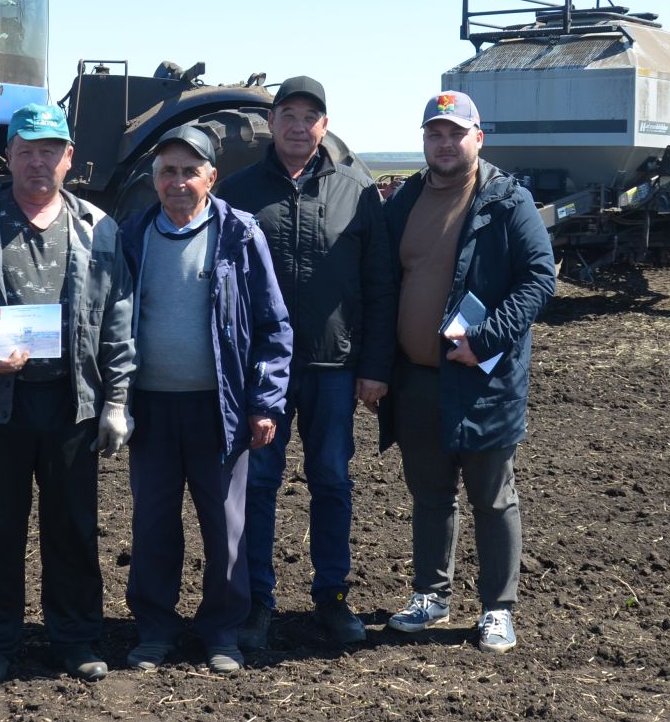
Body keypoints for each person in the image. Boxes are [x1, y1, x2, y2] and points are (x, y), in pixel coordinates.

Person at [0, 102, 136, 692]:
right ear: (10, 157)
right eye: (27, 150)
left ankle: (74, 638)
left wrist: (117, 400)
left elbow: (118, 317)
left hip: (72, 403)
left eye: (50, 149)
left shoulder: (98, 227)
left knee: (73, 525)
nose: (38, 161)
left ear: (68, 157)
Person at [219, 76, 394, 649]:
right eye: (287, 114)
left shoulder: (357, 191)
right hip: (262, 372)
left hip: (334, 366)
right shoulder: (239, 193)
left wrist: (374, 364)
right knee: (260, 484)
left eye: (310, 116)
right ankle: (257, 603)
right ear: (271, 123)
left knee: (332, 481)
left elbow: (379, 282)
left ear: (325, 125)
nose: (298, 125)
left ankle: (332, 597)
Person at [379, 91, 555, 655]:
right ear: (424, 140)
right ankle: (431, 595)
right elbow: (384, 285)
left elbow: (538, 280)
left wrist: (484, 339)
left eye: (456, 133)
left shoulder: (506, 200)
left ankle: (497, 609)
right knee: (430, 495)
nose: (445, 143)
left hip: (483, 380)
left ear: (478, 138)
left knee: (492, 496)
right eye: (435, 133)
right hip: (417, 380)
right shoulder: (404, 200)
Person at [122, 124, 293, 674]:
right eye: (167, 172)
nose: (177, 182)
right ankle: (154, 628)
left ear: (211, 178)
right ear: (154, 179)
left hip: (218, 410)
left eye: (189, 171)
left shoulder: (240, 235)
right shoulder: (132, 235)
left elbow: (273, 324)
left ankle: (221, 631)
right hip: (150, 409)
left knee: (226, 528)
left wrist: (266, 401)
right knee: (152, 525)